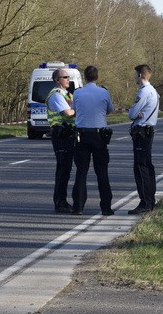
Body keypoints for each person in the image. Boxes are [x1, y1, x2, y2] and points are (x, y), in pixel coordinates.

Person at [70, 65, 115, 216]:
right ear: (97, 77)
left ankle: (78, 206)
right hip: (99, 135)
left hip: (81, 135)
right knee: (102, 172)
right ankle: (106, 208)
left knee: (81, 171)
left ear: (85, 77)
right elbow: (110, 110)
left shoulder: (78, 93)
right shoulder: (104, 92)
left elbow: (74, 109)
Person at [127, 64, 159, 214]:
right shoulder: (153, 90)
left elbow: (132, 114)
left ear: (140, 75)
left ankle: (145, 202)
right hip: (148, 131)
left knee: (140, 168)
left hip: (141, 132)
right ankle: (150, 201)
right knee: (148, 166)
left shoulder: (144, 92)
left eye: (136, 75)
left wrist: (136, 113)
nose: (134, 78)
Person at [46, 68, 76, 213]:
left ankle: (62, 200)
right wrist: (79, 109)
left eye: (69, 77)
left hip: (68, 133)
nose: (68, 79)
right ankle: (60, 202)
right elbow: (68, 113)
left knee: (66, 168)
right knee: (63, 169)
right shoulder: (56, 95)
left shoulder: (67, 94)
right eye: (65, 77)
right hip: (60, 134)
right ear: (57, 80)